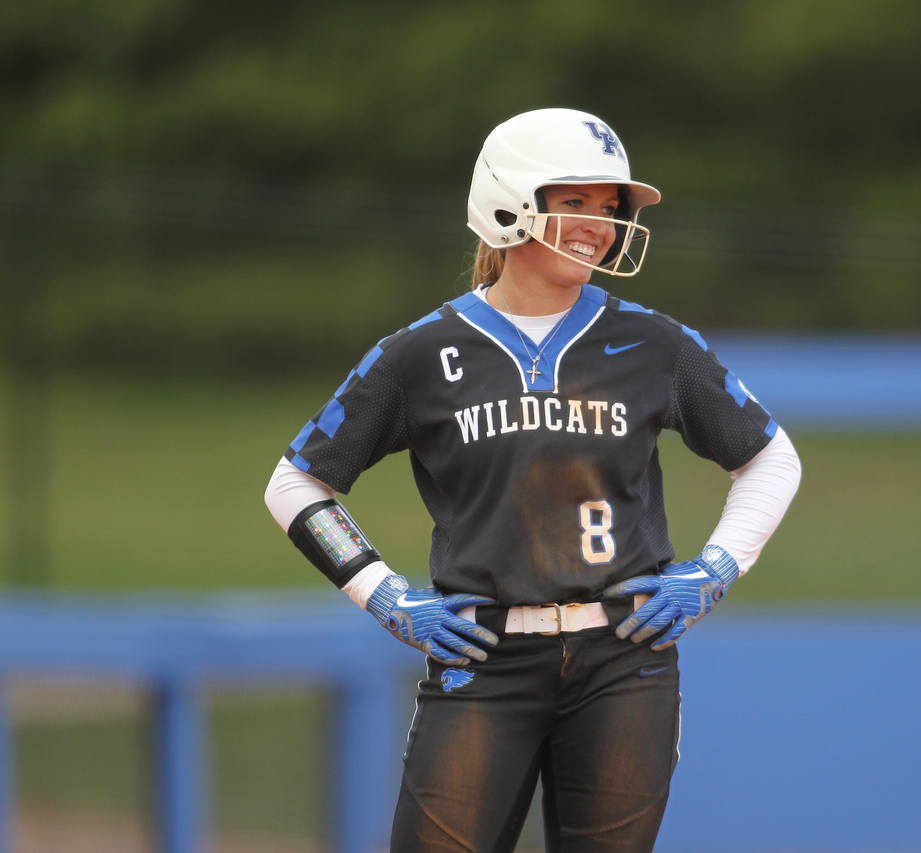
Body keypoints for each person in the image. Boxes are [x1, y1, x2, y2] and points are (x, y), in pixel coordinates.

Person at [264, 108, 801, 853]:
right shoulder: (422, 352)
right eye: (575, 202)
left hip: (625, 658)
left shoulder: (654, 343)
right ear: (509, 200)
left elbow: (772, 457)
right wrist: (383, 593)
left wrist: (715, 569)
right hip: (481, 660)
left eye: (609, 208)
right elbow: (296, 483)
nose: (600, 224)